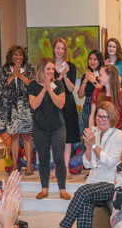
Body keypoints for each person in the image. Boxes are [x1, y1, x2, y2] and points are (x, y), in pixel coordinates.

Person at [46, 102, 122, 228]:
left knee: (82, 191)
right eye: (98, 116)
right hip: (93, 183)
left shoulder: (119, 136)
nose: (100, 120)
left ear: (112, 118)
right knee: (85, 203)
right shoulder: (94, 133)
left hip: (111, 184)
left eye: (104, 116)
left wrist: (94, 145)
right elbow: (87, 164)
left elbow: (110, 163)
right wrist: (89, 147)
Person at [29, 57, 71, 200]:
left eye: (52, 69)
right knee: (44, 157)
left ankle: (62, 189)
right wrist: (43, 89)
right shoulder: (33, 85)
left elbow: (61, 104)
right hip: (40, 127)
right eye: (48, 69)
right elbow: (34, 105)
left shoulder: (58, 84)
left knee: (59, 157)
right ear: (41, 70)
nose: (51, 71)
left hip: (57, 126)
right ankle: (44, 188)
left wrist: (50, 89)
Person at [0, 45, 35, 175]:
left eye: (20, 55)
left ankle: (29, 165)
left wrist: (20, 75)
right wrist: (13, 75)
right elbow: (1, 87)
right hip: (11, 106)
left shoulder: (29, 68)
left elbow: (32, 84)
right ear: (10, 56)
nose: (18, 57)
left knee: (27, 135)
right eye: (16, 55)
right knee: (14, 136)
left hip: (26, 105)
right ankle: (14, 165)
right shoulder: (4, 70)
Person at [52, 37, 80, 180]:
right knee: (56, 136)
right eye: (57, 48)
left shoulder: (71, 66)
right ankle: (56, 168)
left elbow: (71, 88)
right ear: (53, 49)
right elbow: (49, 85)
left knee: (67, 137)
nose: (60, 51)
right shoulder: (49, 66)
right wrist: (58, 75)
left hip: (67, 103)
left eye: (62, 48)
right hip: (53, 103)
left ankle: (66, 168)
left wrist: (64, 76)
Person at [88, 64, 122, 136]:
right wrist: (90, 134)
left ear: (109, 76)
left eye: (100, 75)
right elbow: (92, 116)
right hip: (99, 132)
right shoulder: (97, 92)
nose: (98, 78)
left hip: (117, 132)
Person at [77, 50, 104, 129]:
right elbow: (80, 95)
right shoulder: (86, 75)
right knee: (88, 129)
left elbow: (104, 91)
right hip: (88, 104)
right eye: (90, 59)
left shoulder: (103, 74)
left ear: (99, 60)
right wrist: (85, 80)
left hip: (100, 103)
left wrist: (94, 81)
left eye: (95, 59)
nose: (92, 61)